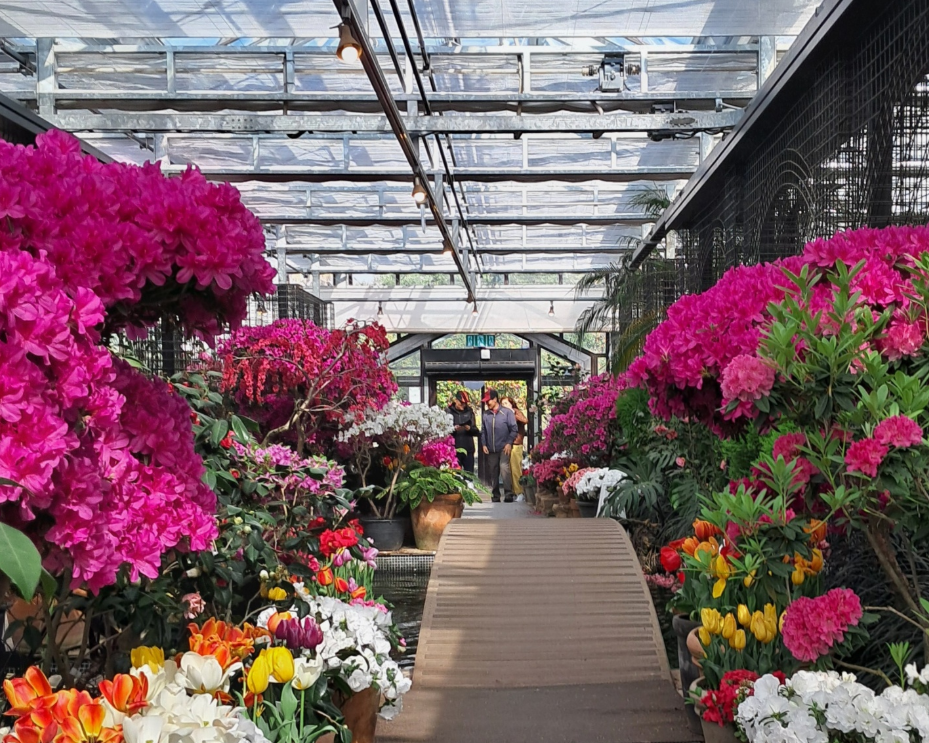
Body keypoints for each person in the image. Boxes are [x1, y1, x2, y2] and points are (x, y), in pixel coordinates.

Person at [480, 388, 518, 502]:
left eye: (489, 401)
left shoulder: (507, 413)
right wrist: (484, 444)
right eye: (486, 401)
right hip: (491, 448)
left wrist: (509, 443)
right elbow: (483, 431)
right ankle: (495, 495)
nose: (487, 403)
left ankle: (508, 493)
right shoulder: (486, 414)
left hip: (504, 447)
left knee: (504, 467)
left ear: (495, 399)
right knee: (493, 470)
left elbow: (514, 429)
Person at [501, 396, 528, 498]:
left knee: (516, 468)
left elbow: (525, 420)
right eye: (503, 404)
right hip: (506, 444)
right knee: (508, 469)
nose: (504, 405)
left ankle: (519, 492)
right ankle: (512, 491)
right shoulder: (502, 414)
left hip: (516, 444)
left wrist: (513, 414)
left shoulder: (516, 411)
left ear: (511, 404)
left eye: (506, 403)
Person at [447, 389, 476, 473]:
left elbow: (475, 430)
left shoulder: (469, 411)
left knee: (469, 475)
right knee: (455, 475)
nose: (463, 405)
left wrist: (469, 429)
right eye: (461, 403)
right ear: (456, 400)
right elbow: (444, 430)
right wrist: (453, 429)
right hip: (454, 449)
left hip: (468, 448)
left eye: (465, 403)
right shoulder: (448, 411)